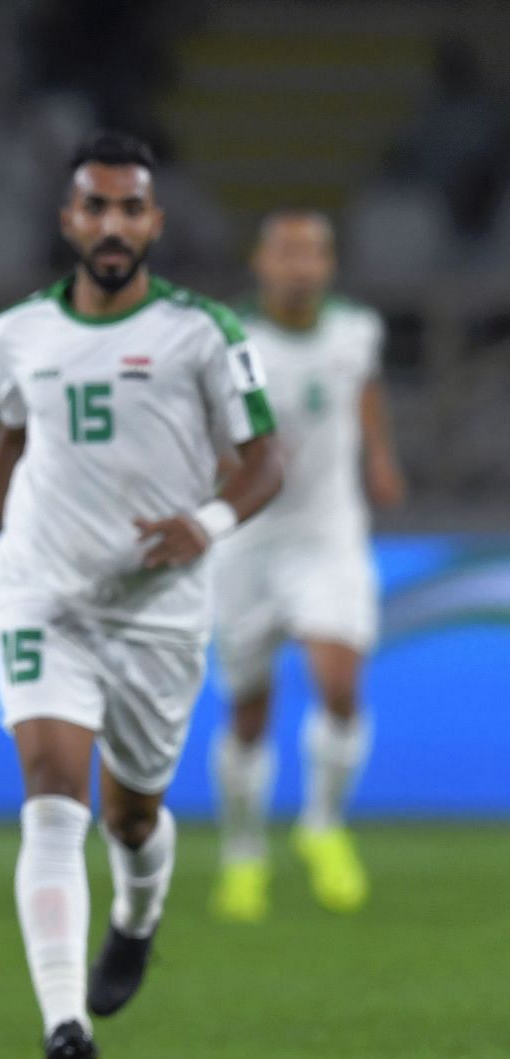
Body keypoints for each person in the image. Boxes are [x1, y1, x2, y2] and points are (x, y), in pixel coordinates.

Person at [0, 132, 283, 1059]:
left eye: (131, 208)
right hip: (43, 592)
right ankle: (66, 1026)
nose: (113, 224)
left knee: (134, 814)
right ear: (70, 219)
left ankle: (138, 919)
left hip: (157, 610)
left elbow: (268, 462)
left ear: (154, 221)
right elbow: (13, 438)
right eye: (96, 206)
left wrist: (209, 519)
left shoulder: (204, 333)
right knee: (51, 792)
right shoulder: (19, 330)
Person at [209, 211, 404, 923]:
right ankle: (243, 852)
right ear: (261, 261)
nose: (300, 264)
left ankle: (322, 824)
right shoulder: (229, 339)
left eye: (314, 252)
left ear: (329, 265)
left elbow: (366, 392)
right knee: (249, 711)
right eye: (287, 251)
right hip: (248, 544)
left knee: (340, 682)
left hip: (329, 536)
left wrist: (379, 458)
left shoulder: (357, 330)